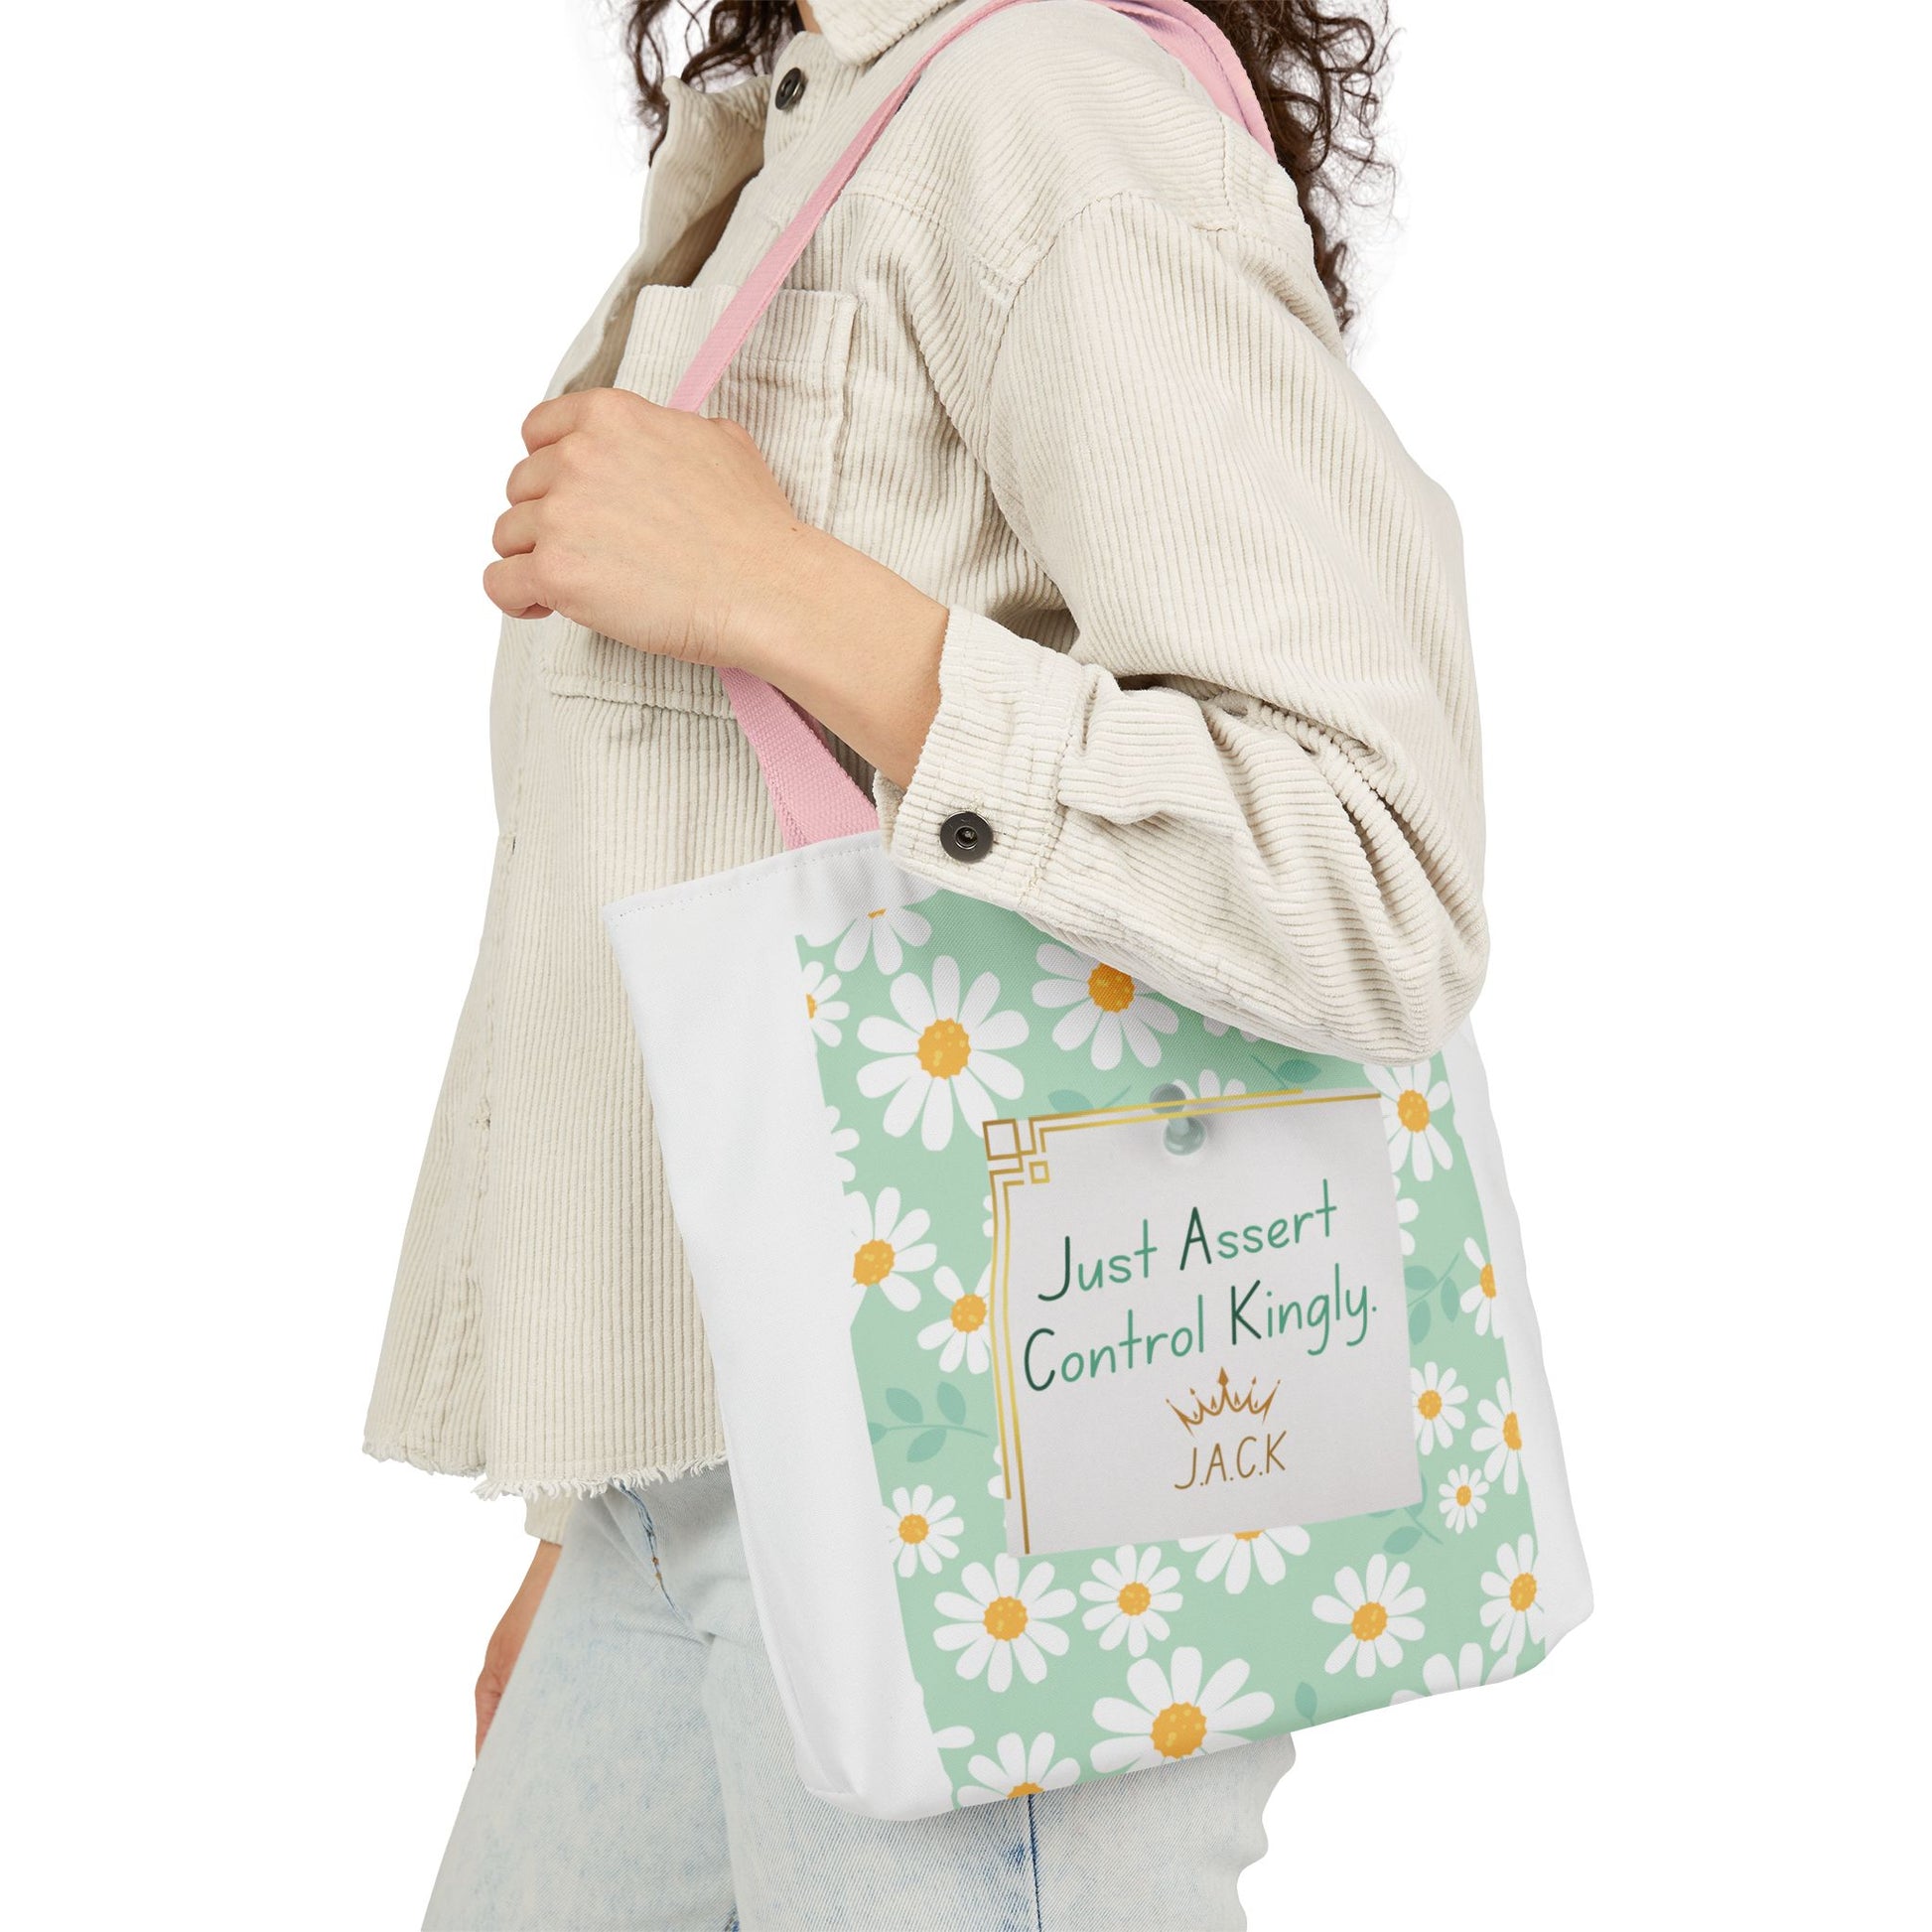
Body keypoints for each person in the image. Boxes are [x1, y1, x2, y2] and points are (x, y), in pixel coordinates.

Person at [368, 0, 1485, 1923]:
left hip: (980, 1492)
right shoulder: (806, 133)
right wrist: (599, 1513)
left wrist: (789, 595)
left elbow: (1373, 862)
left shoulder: (1051, 122)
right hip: (697, 1479)